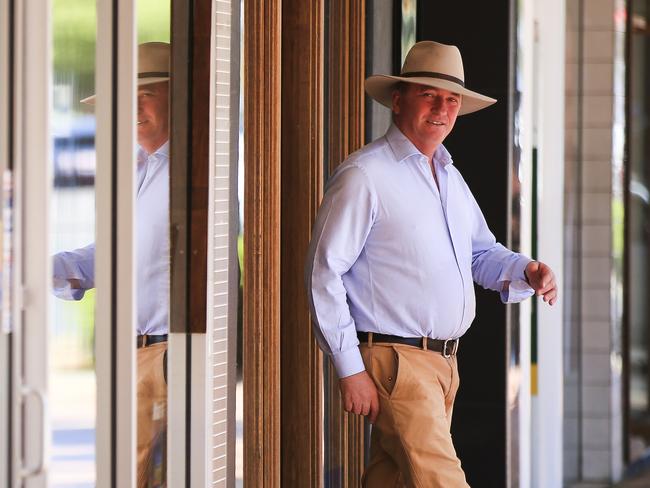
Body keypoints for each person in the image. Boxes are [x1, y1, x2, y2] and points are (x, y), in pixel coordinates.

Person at [305, 40, 558, 487]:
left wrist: (525, 270)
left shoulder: (450, 177)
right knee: (443, 480)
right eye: (429, 94)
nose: (442, 108)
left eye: (452, 99)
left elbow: (481, 252)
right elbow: (324, 271)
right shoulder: (365, 176)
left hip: (442, 366)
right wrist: (350, 369)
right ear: (399, 100)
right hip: (395, 360)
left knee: (391, 480)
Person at [52, 41, 171, 487]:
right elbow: (110, 254)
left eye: (148, 93)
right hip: (128, 356)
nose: (135, 106)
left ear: (176, 97)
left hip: (168, 356)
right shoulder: (131, 170)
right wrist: (39, 268)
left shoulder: (195, 173)